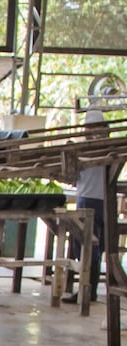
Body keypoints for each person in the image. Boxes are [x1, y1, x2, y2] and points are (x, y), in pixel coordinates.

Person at [65, 107, 111, 303]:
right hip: (98, 200)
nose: (89, 132)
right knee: (92, 245)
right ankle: (88, 289)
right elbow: (75, 178)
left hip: (90, 200)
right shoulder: (106, 149)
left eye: (91, 128)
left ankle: (87, 289)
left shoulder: (95, 149)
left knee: (88, 245)